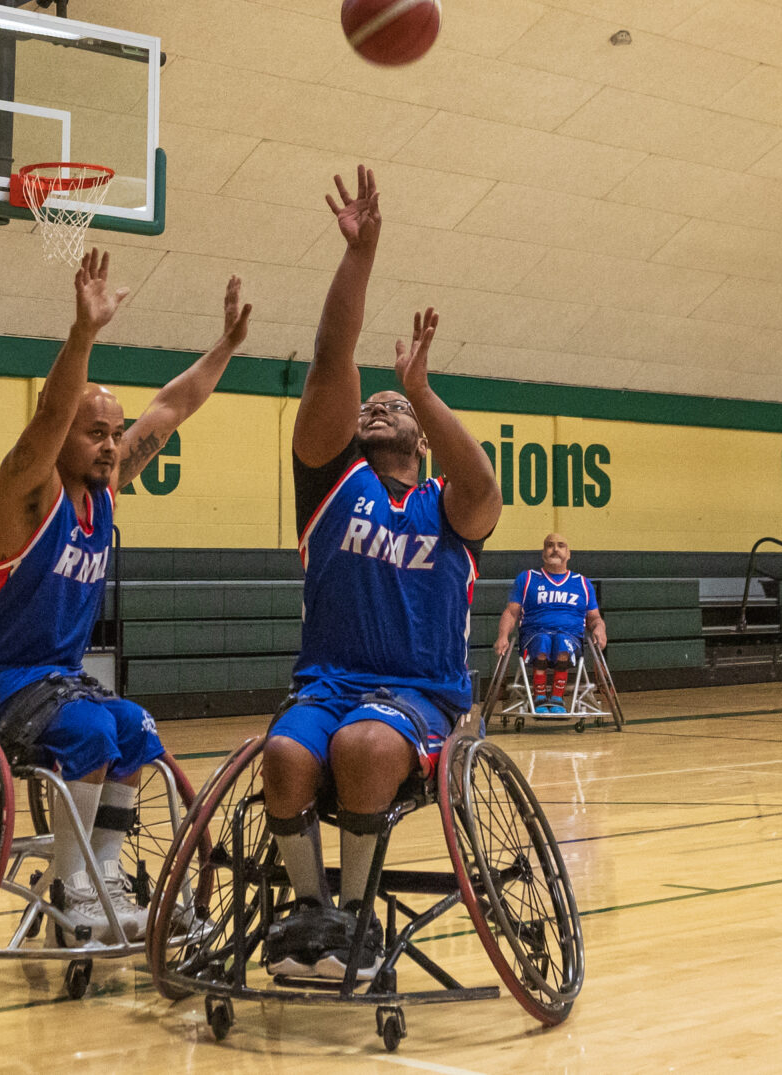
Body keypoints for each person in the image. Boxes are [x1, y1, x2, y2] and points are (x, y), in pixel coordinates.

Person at [0, 248, 249, 940]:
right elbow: (51, 411)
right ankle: (71, 888)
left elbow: (171, 406)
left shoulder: (102, 495)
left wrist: (224, 347)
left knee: (134, 728)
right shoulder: (24, 493)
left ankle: (103, 877)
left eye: (115, 433)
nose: (112, 445)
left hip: (52, 683)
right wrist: (83, 335)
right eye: (95, 432)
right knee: (92, 730)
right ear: (64, 439)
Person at [261, 167, 504, 981]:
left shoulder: (447, 505)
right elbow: (334, 358)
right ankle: (313, 914)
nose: (381, 411)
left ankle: (358, 924)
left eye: (395, 412)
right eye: (378, 407)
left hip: (417, 693)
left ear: (422, 437)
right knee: (286, 759)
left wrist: (422, 391)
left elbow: (486, 488)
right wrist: (361, 255)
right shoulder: (331, 483)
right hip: (327, 681)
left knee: (364, 746)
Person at [493, 532, 605, 713]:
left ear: (569, 554)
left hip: (571, 638)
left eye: (561, 545)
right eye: (550, 545)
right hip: (534, 636)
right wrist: (503, 636)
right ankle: (539, 697)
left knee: (561, 641)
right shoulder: (527, 578)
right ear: (543, 552)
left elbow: (595, 618)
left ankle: (557, 698)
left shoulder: (583, 583)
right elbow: (511, 612)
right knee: (543, 640)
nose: (555, 549)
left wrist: (600, 629)